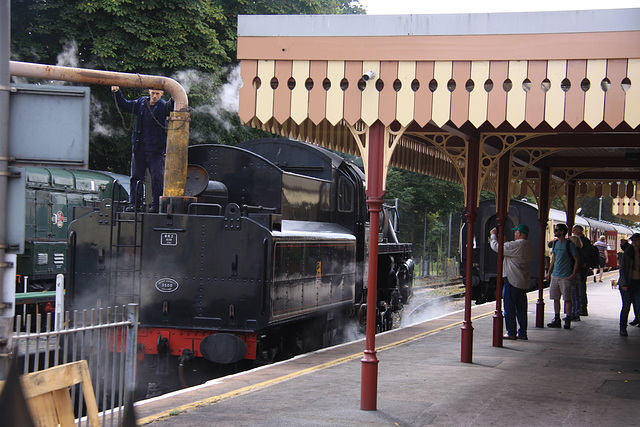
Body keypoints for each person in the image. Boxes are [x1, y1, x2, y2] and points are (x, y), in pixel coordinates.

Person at [111, 86, 173, 213]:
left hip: (155, 149)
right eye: (153, 93)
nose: (154, 96)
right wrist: (117, 92)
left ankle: (156, 205)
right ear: (149, 92)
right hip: (139, 147)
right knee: (136, 177)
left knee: (157, 178)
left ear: (161, 94)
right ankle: (135, 204)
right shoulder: (141, 103)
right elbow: (125, 105)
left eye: (157, 93)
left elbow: (171, 107)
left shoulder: (163, 106)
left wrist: (174, 96)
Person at [490, 224, 534, 340]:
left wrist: (493, 236)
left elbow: (497, 247)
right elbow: (511, 250)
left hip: (512, 280)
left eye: (516, 232)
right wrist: (506, 242)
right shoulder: (528, 245)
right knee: (521, 308)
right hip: (523, 281)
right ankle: (522, 332)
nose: (514, 234)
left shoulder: (518, 245)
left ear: (519, 233)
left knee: (509, 307)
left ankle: (511, 332)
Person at [545, 223, 580, 329]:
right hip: (555, 275)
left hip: (565, 276)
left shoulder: (569, 244)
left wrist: (573, 274)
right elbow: (553, 259)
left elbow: (577, 259)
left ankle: (568, 319)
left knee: (567, 298)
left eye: (557, 230)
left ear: (562, 232)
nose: (555, 232)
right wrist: (549, 272)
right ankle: (557, 319)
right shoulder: (555, 244)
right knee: (555, 298)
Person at [618, 233, 640, 336]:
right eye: (633, 240)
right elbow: (622, 270)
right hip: (627, 284)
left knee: (639, 305)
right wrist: (623, 284)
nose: (635, 242)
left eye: (637, 240)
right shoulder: (627, 253)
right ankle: (623, 328)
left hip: (638, 284)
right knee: (626, 306)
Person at [572, 225, 592, 317]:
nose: (573, 232)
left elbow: (586, 254)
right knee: (579, 288)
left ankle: (582, 308)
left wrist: (585, 263)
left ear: (580, 231)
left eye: (574, 230)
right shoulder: (584, 241)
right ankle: (579, 308)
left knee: (580, 288)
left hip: (582, 269)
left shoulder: (584, 242)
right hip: (580, 267)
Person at [568, 235, 583, 321]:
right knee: (577, 294)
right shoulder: (580, 251)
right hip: (578, 273)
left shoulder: (574, 252)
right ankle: (577, 312)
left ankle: (573, 313)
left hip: (574, 273)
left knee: (573, 293)